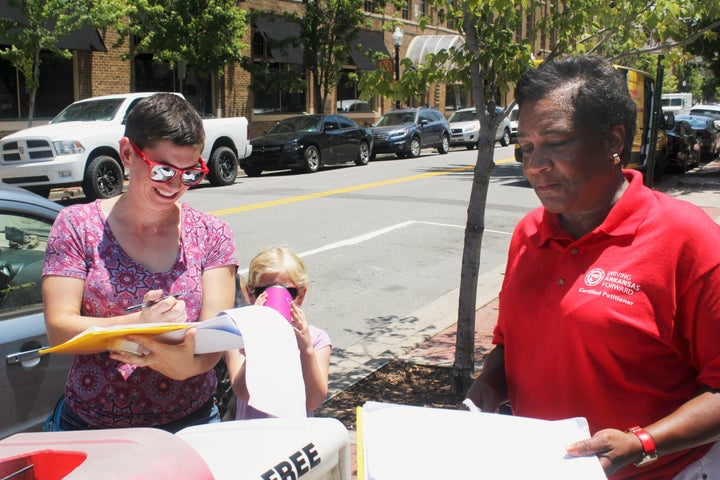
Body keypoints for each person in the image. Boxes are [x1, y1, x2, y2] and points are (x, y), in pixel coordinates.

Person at [465, 55, 720, 479]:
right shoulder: (529, 234)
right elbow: (514, 344)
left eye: (556, 142)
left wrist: (643, 443)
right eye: (526, 147)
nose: (534, 165)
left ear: (612, 141)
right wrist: (490, 383)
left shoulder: (689, 240)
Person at [41, 93, 238, 432]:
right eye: (163, 170)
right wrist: (140, 323)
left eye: (190, 173)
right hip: (94, 427)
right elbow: (59, 330)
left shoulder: (212, 233)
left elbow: (214, 338)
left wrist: (184, 367)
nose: (176, 185)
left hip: (192, 422)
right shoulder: (77, 226)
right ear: (128, 153)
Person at [225, 246, 332, 419]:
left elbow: (313, 401)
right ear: (251, 295)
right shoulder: (238, 338)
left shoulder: (316, 339)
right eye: (262, 291)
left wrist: (306, 350)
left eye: (288, 291)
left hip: (296, 436)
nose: (274, 298)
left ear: (300, 294)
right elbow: (244, 393)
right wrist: (255, 340)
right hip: (252, 437)